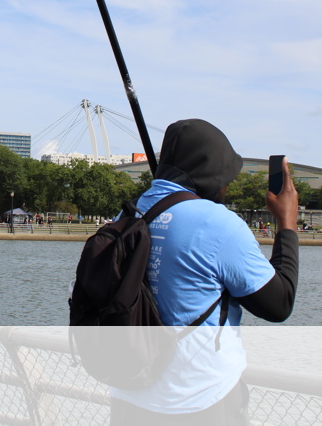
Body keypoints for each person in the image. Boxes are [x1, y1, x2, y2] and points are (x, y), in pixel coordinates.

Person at [109, 119, 299, 425]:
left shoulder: (127, 214)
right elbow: (279, 304)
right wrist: (287, 223)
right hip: (199, 399)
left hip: (128, 398)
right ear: (211, 173)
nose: (227, 186)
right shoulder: (216, 223)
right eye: (226, 177)